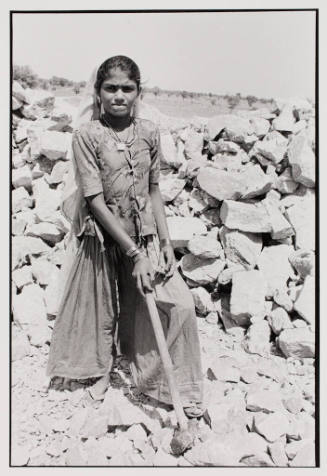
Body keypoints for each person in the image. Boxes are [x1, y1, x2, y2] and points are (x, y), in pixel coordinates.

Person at [46, 55, 204, 418]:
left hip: (144, 237)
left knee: (174, 304)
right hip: (102, 239)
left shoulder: (148, 131)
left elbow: (153, 190)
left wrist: (164, 243)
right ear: (98, 92)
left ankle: (158, 380)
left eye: (127, 88)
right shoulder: (86, 136)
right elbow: (94, 200)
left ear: (139, 92)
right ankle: (100, 372)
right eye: (110, 88)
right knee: (103, 312)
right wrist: (134, 254)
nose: (119, 95)